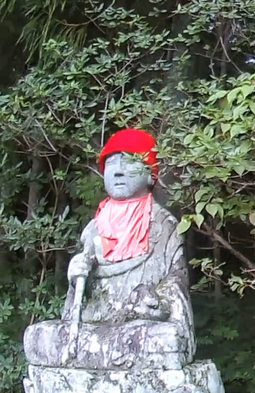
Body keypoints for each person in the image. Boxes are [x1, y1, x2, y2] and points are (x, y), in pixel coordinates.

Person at [24, 128, 195, 371]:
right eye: (111, 163)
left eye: (128, 162)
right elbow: (83, 290)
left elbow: (176, 279)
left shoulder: (163, 224)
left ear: (150, 176)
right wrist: (75, 274)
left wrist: (155, 299)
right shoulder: (95, 227)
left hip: (140, 324)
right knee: (38, 336)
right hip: (94, 323)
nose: (118, 170)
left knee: (160, 340)